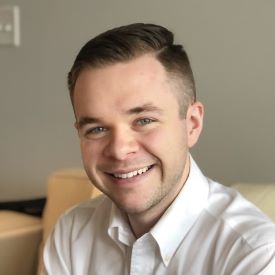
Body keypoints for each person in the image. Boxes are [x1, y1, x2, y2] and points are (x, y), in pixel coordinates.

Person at [42, 23, 275, 275]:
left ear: (192, 125)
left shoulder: (255, 255)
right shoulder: (72, 233)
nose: (119, 150)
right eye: (97, 129)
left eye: (144, 121)